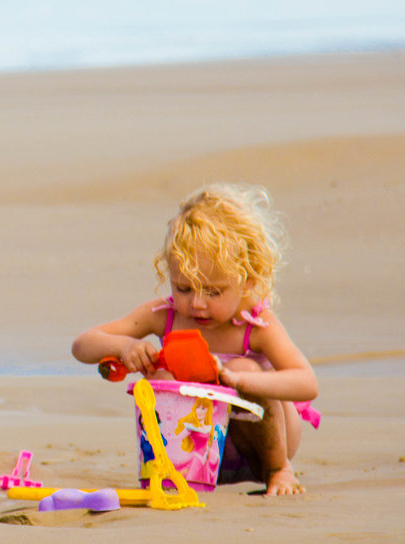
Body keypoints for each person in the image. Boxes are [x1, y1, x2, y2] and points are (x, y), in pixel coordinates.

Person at [71, 183, 318, 496]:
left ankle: (279, 471)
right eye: (184, 288)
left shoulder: (256, 325)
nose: (197, 304)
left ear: (248, 280)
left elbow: (308, 383)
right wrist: (124, 347)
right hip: (194, 450)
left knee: (247, 368)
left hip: (258, 446)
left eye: (213, 291)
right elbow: (82, 345)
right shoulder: (165, 315)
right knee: (160, 374)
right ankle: (168, 473)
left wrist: (239, 381)